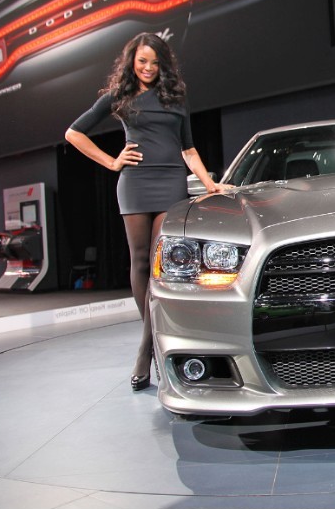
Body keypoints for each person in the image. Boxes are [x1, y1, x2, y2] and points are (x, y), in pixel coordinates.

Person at [65, 32, 220, 392]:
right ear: (131, 62)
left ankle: (145, 349)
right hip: (134, 183)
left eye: (154, 62)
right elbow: (74, 133)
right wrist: (112, 162)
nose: (148, 68)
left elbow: (188, 148)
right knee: (138, 263)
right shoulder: (118, 96)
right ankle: (151, 345)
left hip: (170, 182)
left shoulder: (175, 97)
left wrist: (209, 183)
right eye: (142, 61)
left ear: (163, 64)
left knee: (157, 264)